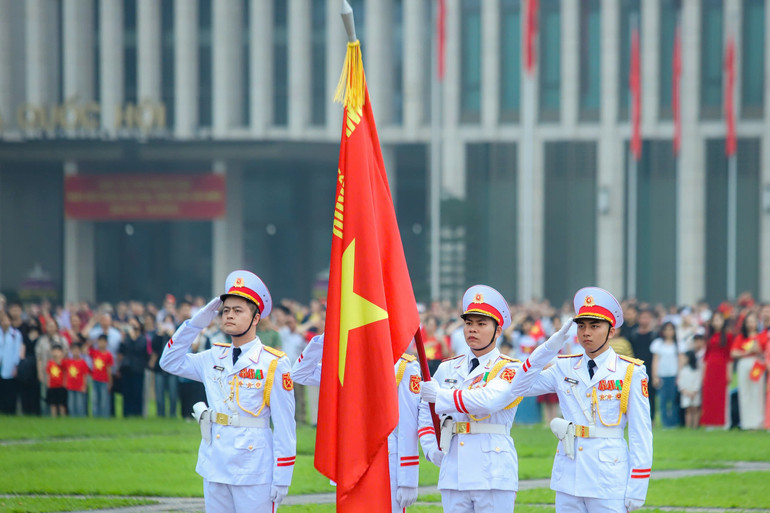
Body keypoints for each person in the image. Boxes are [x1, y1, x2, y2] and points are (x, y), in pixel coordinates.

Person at [450, 287, 652, 513]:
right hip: (569, 474)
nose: (586, 332)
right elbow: (519, 386)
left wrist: (638, 484)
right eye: (581, 326)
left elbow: (640, 432)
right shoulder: (564, 366)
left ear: (611, 331)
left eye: (595, 326)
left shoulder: (630, 372)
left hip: (609, 477)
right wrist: (548, 348)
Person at [160, 270, 296, 513]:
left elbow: (285, 426)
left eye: (238, 310)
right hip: (216, 462)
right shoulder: (213, 356)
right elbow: (168, 361)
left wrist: (283, 475)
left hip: (254, 468)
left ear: (256, 318)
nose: (229, 316)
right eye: (225, 310)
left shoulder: (273, 363)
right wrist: (195, 323)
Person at [418, 285, 524, 513]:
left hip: (493, 472)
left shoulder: (510, 368)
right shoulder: (448, 368)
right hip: (454, 468)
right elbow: (426, 412)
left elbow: (487, 401)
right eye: (468, 323)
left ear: (497, 331)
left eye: (481, 324)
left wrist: (440, 396)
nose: (472, 330)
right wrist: (431, 448)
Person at [291, 333, 421, 513]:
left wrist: (408, 479)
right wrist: (326, 338)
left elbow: (408, 425)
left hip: (387, 457)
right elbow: (299, 373)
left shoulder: (402, 366)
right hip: (350, 458)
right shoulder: (344, 365)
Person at [730, 311, 767, 430]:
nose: (751, 324)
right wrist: (746, 352)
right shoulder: (741, 337)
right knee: (745, 392)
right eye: (748, 322)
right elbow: (733, 352)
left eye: (753, 321)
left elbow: (763, 350)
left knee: (757, 392)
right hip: (743, 363)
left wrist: (756, 348)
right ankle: (747, 422)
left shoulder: (762, 336)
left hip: (757, 364)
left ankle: (758, 422)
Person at [700, 312, 733, 428]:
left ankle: (722, 422)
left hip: (722, 367)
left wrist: (729, 373)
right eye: (715, 320)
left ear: (723, 321)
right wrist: (703, 373)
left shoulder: (728, 336)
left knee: (721, 395)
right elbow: (706, 356)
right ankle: (710, 422)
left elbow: (730, 356)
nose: (717, 322)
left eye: (719, 319)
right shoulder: (709, 336)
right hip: (710, 368)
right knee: (709, 395)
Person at [650, 322, 680, 428]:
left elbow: (680, 360)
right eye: (666, 329)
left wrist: (679, 376)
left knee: (673, 400)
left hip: (673, 375)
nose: (669, 332)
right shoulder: (658, 343)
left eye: (671, 329)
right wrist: (655, 377)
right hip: (662, 375)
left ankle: (674, 422)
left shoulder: (677, 344)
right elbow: (655, 360)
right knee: (663, 401)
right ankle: (665, 423)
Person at [678, 334, 705, 429]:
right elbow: (680, 382)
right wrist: (686, 391)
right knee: (688, 410)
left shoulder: (696, 371)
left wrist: (695, 391)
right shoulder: (683, 370)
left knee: (695, 409)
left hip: (694, 392)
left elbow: (698, 381)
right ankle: (688, 426)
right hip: (687, 392)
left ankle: (695, 425)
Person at [0, 309, 24, 414]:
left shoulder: (16, 334)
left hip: (10, 365)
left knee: (10, 389)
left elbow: (17, 351)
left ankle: (10, 411)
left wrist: (16, 365)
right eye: (2, 320)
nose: (5, 323)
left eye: (7, 320)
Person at [88, 334, 114, 418]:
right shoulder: (94, 353)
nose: (101, 344)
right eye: (100, 342)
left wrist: (110, 382)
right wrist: (93, 341)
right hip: (95, 379)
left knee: (104, 400)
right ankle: (96, 417)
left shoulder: (108, 355)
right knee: (95, 400)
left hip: (104, 380)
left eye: (103, 342)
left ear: (106, 343)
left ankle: (105, 417)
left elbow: (109, 369)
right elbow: (86, 348)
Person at [64, 342, 90, 417]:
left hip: (80, 386)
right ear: (71, 351)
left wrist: (84, 386)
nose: (75, 352)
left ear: (80, 351)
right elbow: (65, 372)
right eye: (74, 350)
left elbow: (85, 375)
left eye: (77, 350)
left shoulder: (83, 362)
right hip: (70, 386)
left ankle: (81, 417)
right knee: (71, 403)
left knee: (80, 403)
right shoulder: (68, 362)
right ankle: (72, 417)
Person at [46, 344, 68, 417]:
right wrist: (48, 383)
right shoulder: (50, 363)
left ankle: (63, 417)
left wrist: (59, 358)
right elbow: (48, 374)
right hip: (52, 386)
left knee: (62, 404)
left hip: (61, 386)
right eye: (54, 351)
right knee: (53, 404)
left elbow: (65, 370)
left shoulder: (63, 362)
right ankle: (54, 417)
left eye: (58, 351)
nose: (56, 353)